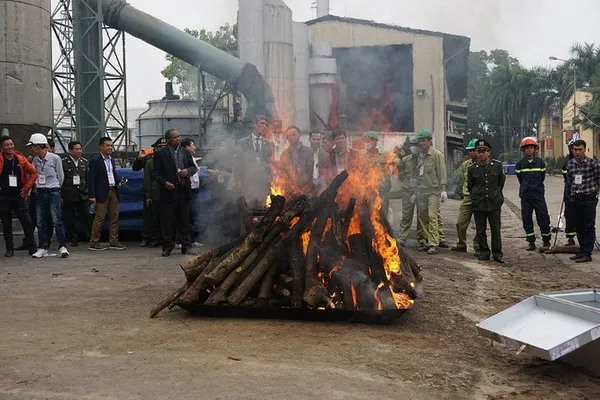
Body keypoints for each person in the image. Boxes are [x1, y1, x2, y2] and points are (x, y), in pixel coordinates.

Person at [153, 129, 197, 257]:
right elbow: (156, 173)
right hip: (168, 191)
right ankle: (167, 246)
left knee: (184, 219)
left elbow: (193, 167)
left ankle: (186, 245)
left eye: (179, 136)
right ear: (168, 140)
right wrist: (164, 183)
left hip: (183, 190)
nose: (178, 139)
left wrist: (187, 172)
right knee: (167, 220)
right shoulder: (161, 154)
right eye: (175, 137)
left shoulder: (185, 152)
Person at [26, 133, 69, 258]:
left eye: (32, 146)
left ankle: (62, 246)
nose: (31, 149)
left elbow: (60, 176)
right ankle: (43, 247)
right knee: (40, 222)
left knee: (57, 220)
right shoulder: (35, 160)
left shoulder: (55, 158)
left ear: (39, 146)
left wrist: (56, 188)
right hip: (40, 192)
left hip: (53, 192)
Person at [467, 139, 506, 263]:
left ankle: (497, 253)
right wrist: (476, 197)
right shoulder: (472, 169)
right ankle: (484, 252)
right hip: (479, 202)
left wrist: (496, 195)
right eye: (479, 151)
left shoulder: (497, 166)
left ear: (489, 152)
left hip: (493, 202)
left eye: (484, 151)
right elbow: (470, 185)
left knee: (495, 229)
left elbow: (501, 182)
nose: (481, 154)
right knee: (480, 230)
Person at [0, 135, 37, 257]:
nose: (10, 147)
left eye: (11, 144)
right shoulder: (0, 159)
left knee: (27, 222)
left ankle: (32, 247)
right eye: (7, 145)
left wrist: (26, 188)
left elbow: (33, 173)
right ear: (2, 147)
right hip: (4, 197)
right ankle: (9, 249)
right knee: (6, 224)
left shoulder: (20, 159)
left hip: (19, 196)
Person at [565, 139, 600, 263]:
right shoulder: (570, 165)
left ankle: (587, 253)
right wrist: (570, 196)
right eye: (575, 150)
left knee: (588, 226)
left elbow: (598, 179)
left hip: (589, 199)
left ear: (585, 149)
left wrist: (595, 195)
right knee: (578, 226)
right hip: (575, 199)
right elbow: (569, 181)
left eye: (580, 149)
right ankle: (582, 251)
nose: (578, 152)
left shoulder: (593, 163)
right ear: (572, 150)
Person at [88, 136, 126, 251]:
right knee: (100, 218)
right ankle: (94, 243)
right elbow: (91, 179)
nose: (110, 147)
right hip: (101, 193)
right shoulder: (95, 161)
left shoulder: (111, 160)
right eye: (107, 145)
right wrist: (92, 196)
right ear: (101, 147)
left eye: (111, 145)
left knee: (114, 217)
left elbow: (113, 173)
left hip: (113, 190)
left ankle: (113, 242)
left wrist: (119, 180)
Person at [515, 137, 551, 250]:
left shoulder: (541, 163)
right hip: (526, 196)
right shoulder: (519, 164)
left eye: (531, 148)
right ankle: (531, 241)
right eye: (527, 148)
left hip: (538, 195)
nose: (529, 150)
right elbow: (520, 179)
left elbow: (542, 177)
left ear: (535, 149)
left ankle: (546, 240)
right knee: (526, 219)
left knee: (543, 217)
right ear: (523, 150)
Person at [414, 129, 447, 255]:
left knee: (432, 216)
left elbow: (442, 174)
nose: (421, 143)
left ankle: (434, 243)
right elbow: (418, 174)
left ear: (429, 141)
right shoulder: (420, 156)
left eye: (423, 140)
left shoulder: (437, 155)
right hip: (421, 191)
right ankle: (427, 241)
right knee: (422, 217)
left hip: (433, 191)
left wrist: (443, 191)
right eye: (420, 141)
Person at [233, 115, 273, 208]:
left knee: (262, 210)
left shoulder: (269, 144)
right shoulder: (242, 142)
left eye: (266, 125)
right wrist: (238, 181)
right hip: (247, 182)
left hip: (262, 184)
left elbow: (270, 163)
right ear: (255, 124)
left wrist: (270, 179)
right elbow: (237, 164)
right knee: (248, 210)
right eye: (262, 123)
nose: (264, 126)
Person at [451, 139, 481, 254]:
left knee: (480, 225)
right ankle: (461, 244)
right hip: (467, 198)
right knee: (460, 223)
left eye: (474, 150)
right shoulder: (465, 165)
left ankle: (478, 245)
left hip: (480, 199)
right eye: (470, 151)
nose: (471, 153)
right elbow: (464, 180)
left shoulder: (484, 164)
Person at [397, 136, 425, 247]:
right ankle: (402, 238)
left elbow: (423, 178)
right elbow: (401, 174)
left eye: (416, 145)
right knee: (406, 215)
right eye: (412, 145)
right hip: (407, 191)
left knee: (421, 216)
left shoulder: (424, 159)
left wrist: (417, 191)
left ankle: (422, 239)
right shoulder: (405, 160)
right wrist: (405, 184)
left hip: (420, 192)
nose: (414, 148)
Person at [61, 140, 90, 246]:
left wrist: (88, 192)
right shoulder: (63, 162)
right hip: (68, 194)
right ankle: (72, 238)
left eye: (80, 149)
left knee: (86, 216)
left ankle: (88, 236)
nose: (79, 151)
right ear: (70, 150)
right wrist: (61, 195)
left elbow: (87, 179)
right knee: (69, 218)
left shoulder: (85, 162)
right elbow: (61, 179)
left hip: (82, 194)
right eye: (76, 149)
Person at [142, 138, 166, 248]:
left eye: (164, 147)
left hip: (167, 194)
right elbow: (147, 180)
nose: (161, 149)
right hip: (155, 194)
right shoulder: (150, 162)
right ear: (155, 149)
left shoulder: (169, 160)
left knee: (166, 218)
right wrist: (148, 196)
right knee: (154, 218)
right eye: (159, 147)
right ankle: (155, 238)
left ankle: (165, 239)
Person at [364, 131, 393, 220]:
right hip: (370, 191)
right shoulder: (363, 158)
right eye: (366, 141)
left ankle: (385, 233)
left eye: (369, 140)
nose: (367, 143)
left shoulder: (385, 155)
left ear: (375, 142)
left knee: (383, 215)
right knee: (372, 215)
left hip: (383, 191)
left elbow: (390, 170)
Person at [182, 137, 204, 246]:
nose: (194, 147)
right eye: (192, 145)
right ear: (186, 147)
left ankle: (192, 239)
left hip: (194, 190)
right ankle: (182, 240)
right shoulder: (183, 159)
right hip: (188, 190)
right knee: (187, 215)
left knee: (193, 215)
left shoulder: (192, 159)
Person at [279, 126, 314, 192]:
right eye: (289, 136)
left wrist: (308, 189)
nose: (291, 137)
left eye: (293, 134)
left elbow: (311, 172)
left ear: (299, 135)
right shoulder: (284, 154)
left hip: (305, 189)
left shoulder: (308, 152)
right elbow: (282, 172)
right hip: (289, 190)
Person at [561, 141, 577, 246]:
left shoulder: (587, 162)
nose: (575, 151)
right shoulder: (566, 163)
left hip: (583, 194)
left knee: (583, 216)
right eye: (572, 148)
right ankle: (570, 237)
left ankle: (586, 239)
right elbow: (566, 178)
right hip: (569, 193)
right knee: (569, 215)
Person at [308, 130, 332, 195]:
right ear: (309, 139)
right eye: (314, 139)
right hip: (307, 187)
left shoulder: (326, 155)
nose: (316, 141)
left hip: (321, 186)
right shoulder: (304, 153)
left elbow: (329, 171)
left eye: (318, 140)